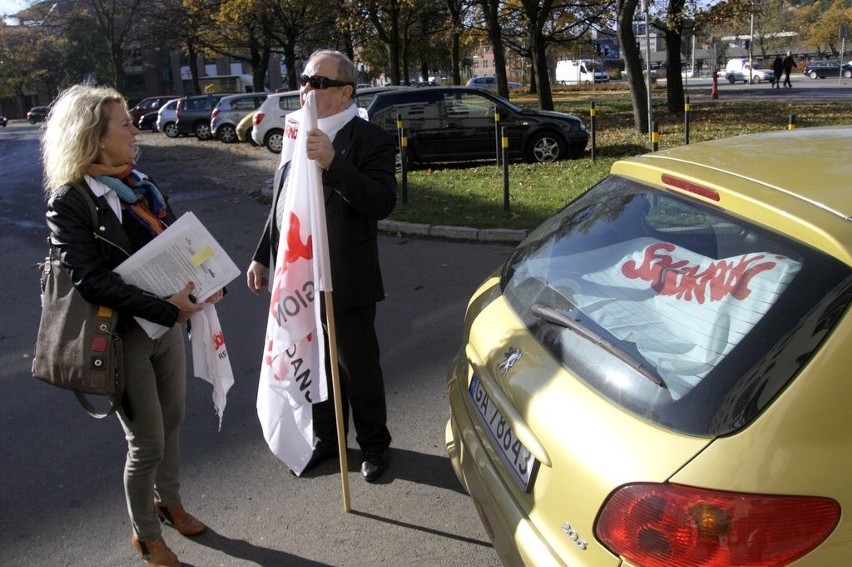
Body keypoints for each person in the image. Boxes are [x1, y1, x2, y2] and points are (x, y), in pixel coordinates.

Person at [42, 84, 224, 567]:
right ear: (97, 138)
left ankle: (170, 502)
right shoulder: (70, 200)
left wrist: (208, 280)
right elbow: (89, 281)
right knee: (146, 441)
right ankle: (145, 536)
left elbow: (176, 243)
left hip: (165, 326)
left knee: (174, 421)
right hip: (122, 336)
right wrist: (166, 307)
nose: (134, 127)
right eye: (124, 123)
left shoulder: (138, 182)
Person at [247, 50, 397, 483]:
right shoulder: (296, 131)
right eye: (304, 80)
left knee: (356, 367)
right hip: (300, 278)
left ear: (345, 91)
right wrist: (261, 254)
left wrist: (335, 163)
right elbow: (283, 202)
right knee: (311, 362)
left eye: (317, 82)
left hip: (346, 276)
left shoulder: (370, 138)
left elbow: (381, 201)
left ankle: (374, 445)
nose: (306, 89)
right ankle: (329, 441)